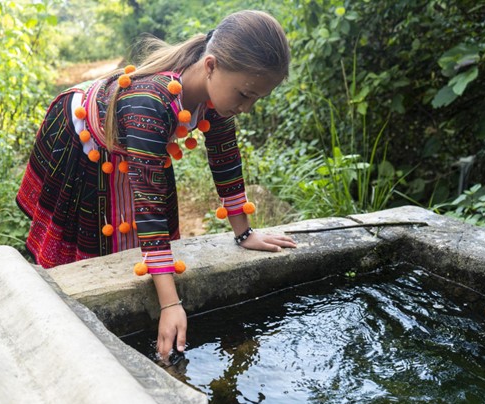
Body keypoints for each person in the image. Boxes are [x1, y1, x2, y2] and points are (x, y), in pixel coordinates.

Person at [16, 9, 297, 359]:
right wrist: (170, 304)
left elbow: (225, 162)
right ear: (211, 66)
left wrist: (245, 234)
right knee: (88, 238)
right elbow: (148, 207)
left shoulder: (217, 100)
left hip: (138, 145)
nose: (247, 107)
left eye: (257, 98)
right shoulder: (150, 103)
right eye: (245, 95)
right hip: (82, 138)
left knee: (140, 225)